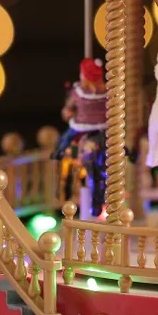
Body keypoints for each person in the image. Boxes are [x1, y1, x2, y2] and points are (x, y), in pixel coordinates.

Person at [55, 58, 108, 215]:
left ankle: (60, 153)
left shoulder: (78, 93)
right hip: (101, 130)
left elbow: (67, 111)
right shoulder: (106, 92)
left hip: (83, 130)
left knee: (65, 143)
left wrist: (69, 112)